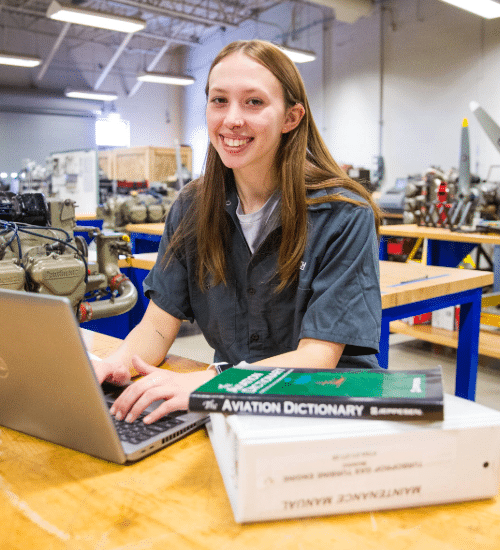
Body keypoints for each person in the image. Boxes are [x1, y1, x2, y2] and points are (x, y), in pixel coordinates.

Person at [94, 39, 382, 425]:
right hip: (231, 404)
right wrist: (115, 365)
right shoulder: (193, 208)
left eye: (254, 102)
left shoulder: (343, 213)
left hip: (326, 407)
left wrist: (213, 380)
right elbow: (158, 327)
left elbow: (318, 358)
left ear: (291, 118)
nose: (232, 119)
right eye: (219, 100)